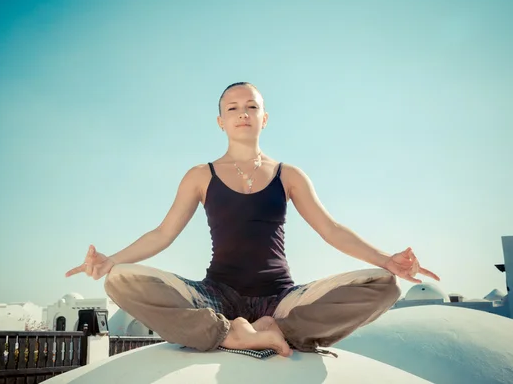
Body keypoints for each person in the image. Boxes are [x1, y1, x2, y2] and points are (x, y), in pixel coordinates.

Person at [65, 82, 440, 358]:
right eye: (232, 108)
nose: (242, 113)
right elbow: (163, 233)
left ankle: (277, 330)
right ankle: (229, 333)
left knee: (385, 285)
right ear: (220, 121)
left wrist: (385, 259)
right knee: (120, 281)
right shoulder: (200, 175)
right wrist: (111, 260)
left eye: (251, 106)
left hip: (280, 298)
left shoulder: (289, 174)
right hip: (214, 295)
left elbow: (331, 229)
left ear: (264, 117)